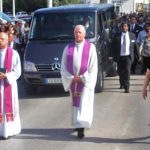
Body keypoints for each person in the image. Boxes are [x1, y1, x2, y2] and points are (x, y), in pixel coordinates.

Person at [60, 25, 98, 138]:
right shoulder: (68, 48)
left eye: (80, 32)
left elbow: (93, 66)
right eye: (76, 32)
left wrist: (82, 77)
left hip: (85, 81)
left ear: (84, 34)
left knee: (84, 103)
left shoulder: (91, 48)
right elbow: (63, 65)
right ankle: (77, 123)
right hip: (73, 81)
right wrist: (71, 77)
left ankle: (82, 126)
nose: (78, 34)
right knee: (75, 103)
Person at [0, 32, 21, 139]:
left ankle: (11, 129)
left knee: (9, 106)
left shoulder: (14, 54)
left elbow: (18, 71)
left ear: (7, 40)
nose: (0, 41)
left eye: (2, 39)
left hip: (9, 86)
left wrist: (6, 76)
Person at [112, 21, 139, 93]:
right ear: (120, 28)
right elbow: (113, 47)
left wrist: (138, 56)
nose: (124, 28)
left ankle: (127, 87)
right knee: (121, 72)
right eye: (123, 26)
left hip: (128, 57)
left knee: (127, 71)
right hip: (119, 57)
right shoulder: (116, 36)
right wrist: (112, 56)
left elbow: (136, 47)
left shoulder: (132, 35)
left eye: (126, 26)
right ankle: (122, 84)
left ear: (128, 27)